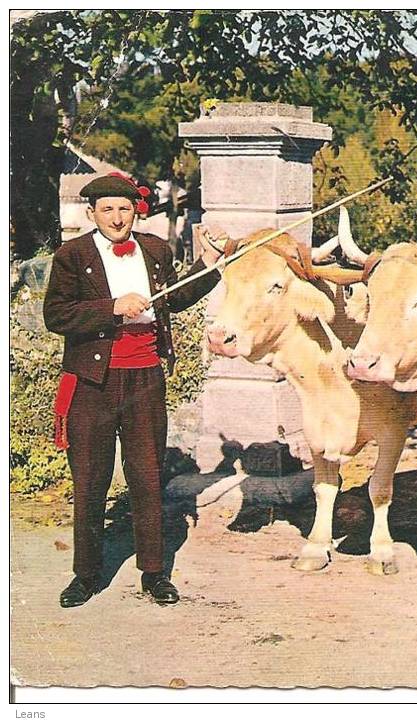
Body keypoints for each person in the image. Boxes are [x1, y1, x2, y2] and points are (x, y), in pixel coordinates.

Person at [44, 172, 224, 608]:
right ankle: (85, 575)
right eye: (107, 209)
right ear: (92, 213)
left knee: (145, 478)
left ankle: (154, 572)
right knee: (91, 480)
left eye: (125, 208)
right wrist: (111, 308)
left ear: (135, 211)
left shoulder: (156, 250)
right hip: (92, 383)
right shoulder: (73, 255)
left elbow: (175, 299)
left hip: (146, 379)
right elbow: (56, 315)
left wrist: (211, 263)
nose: (117, 217)